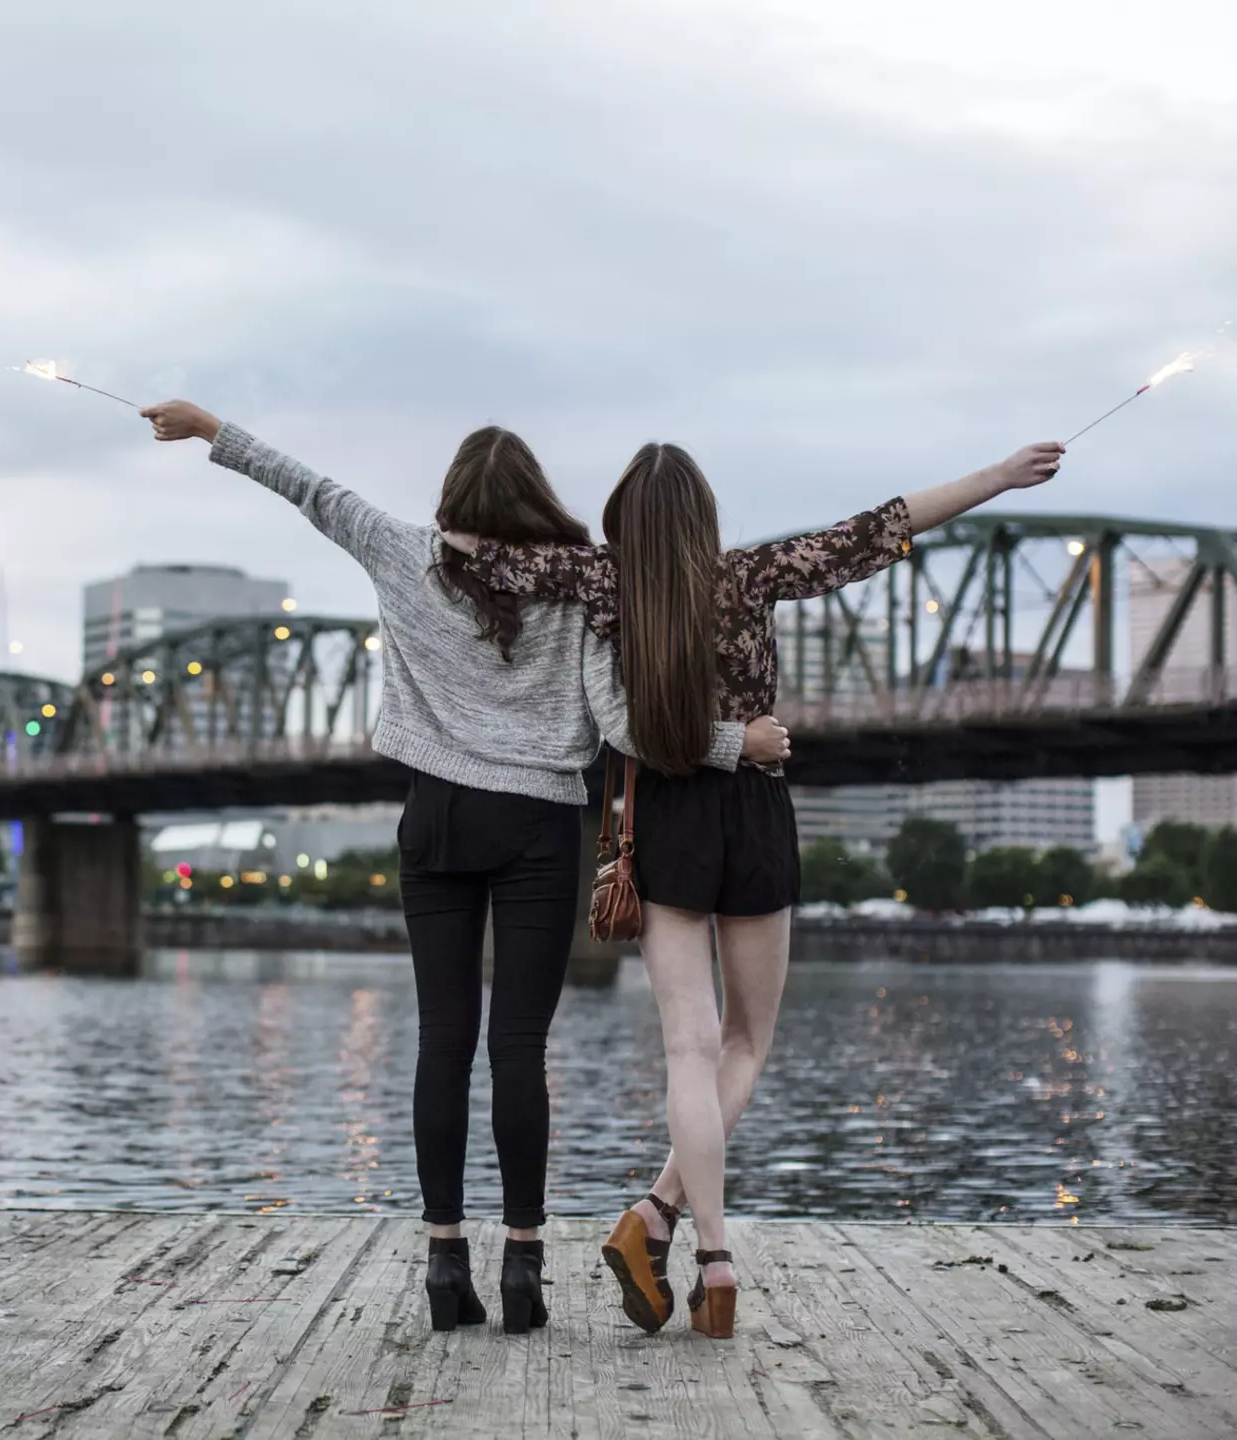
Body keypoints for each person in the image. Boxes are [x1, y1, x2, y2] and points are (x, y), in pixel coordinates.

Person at [138, 399, 790, 1335]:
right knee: (517, 1048)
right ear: (535, 502)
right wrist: (734, 744)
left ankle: (446, 1262)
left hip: (435, 818)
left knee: (442, 1040)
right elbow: (620, 728)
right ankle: (524, 1265)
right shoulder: (574, 588)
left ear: (449, 497)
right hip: (537, 824)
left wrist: (210, 430)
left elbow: (306, 487)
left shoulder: (402, 552)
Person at [443, 435, 1065, 1338]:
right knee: (744, 1043)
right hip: (755, 814)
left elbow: (474, 551)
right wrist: (997, 478)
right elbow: (876, 530)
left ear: (623, 521)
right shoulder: (751, 573)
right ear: (702, 517)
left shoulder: (598, 584)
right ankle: (676, 1234)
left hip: (665, 820)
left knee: (687, 1050)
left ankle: (697, 1243)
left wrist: (425, 533)